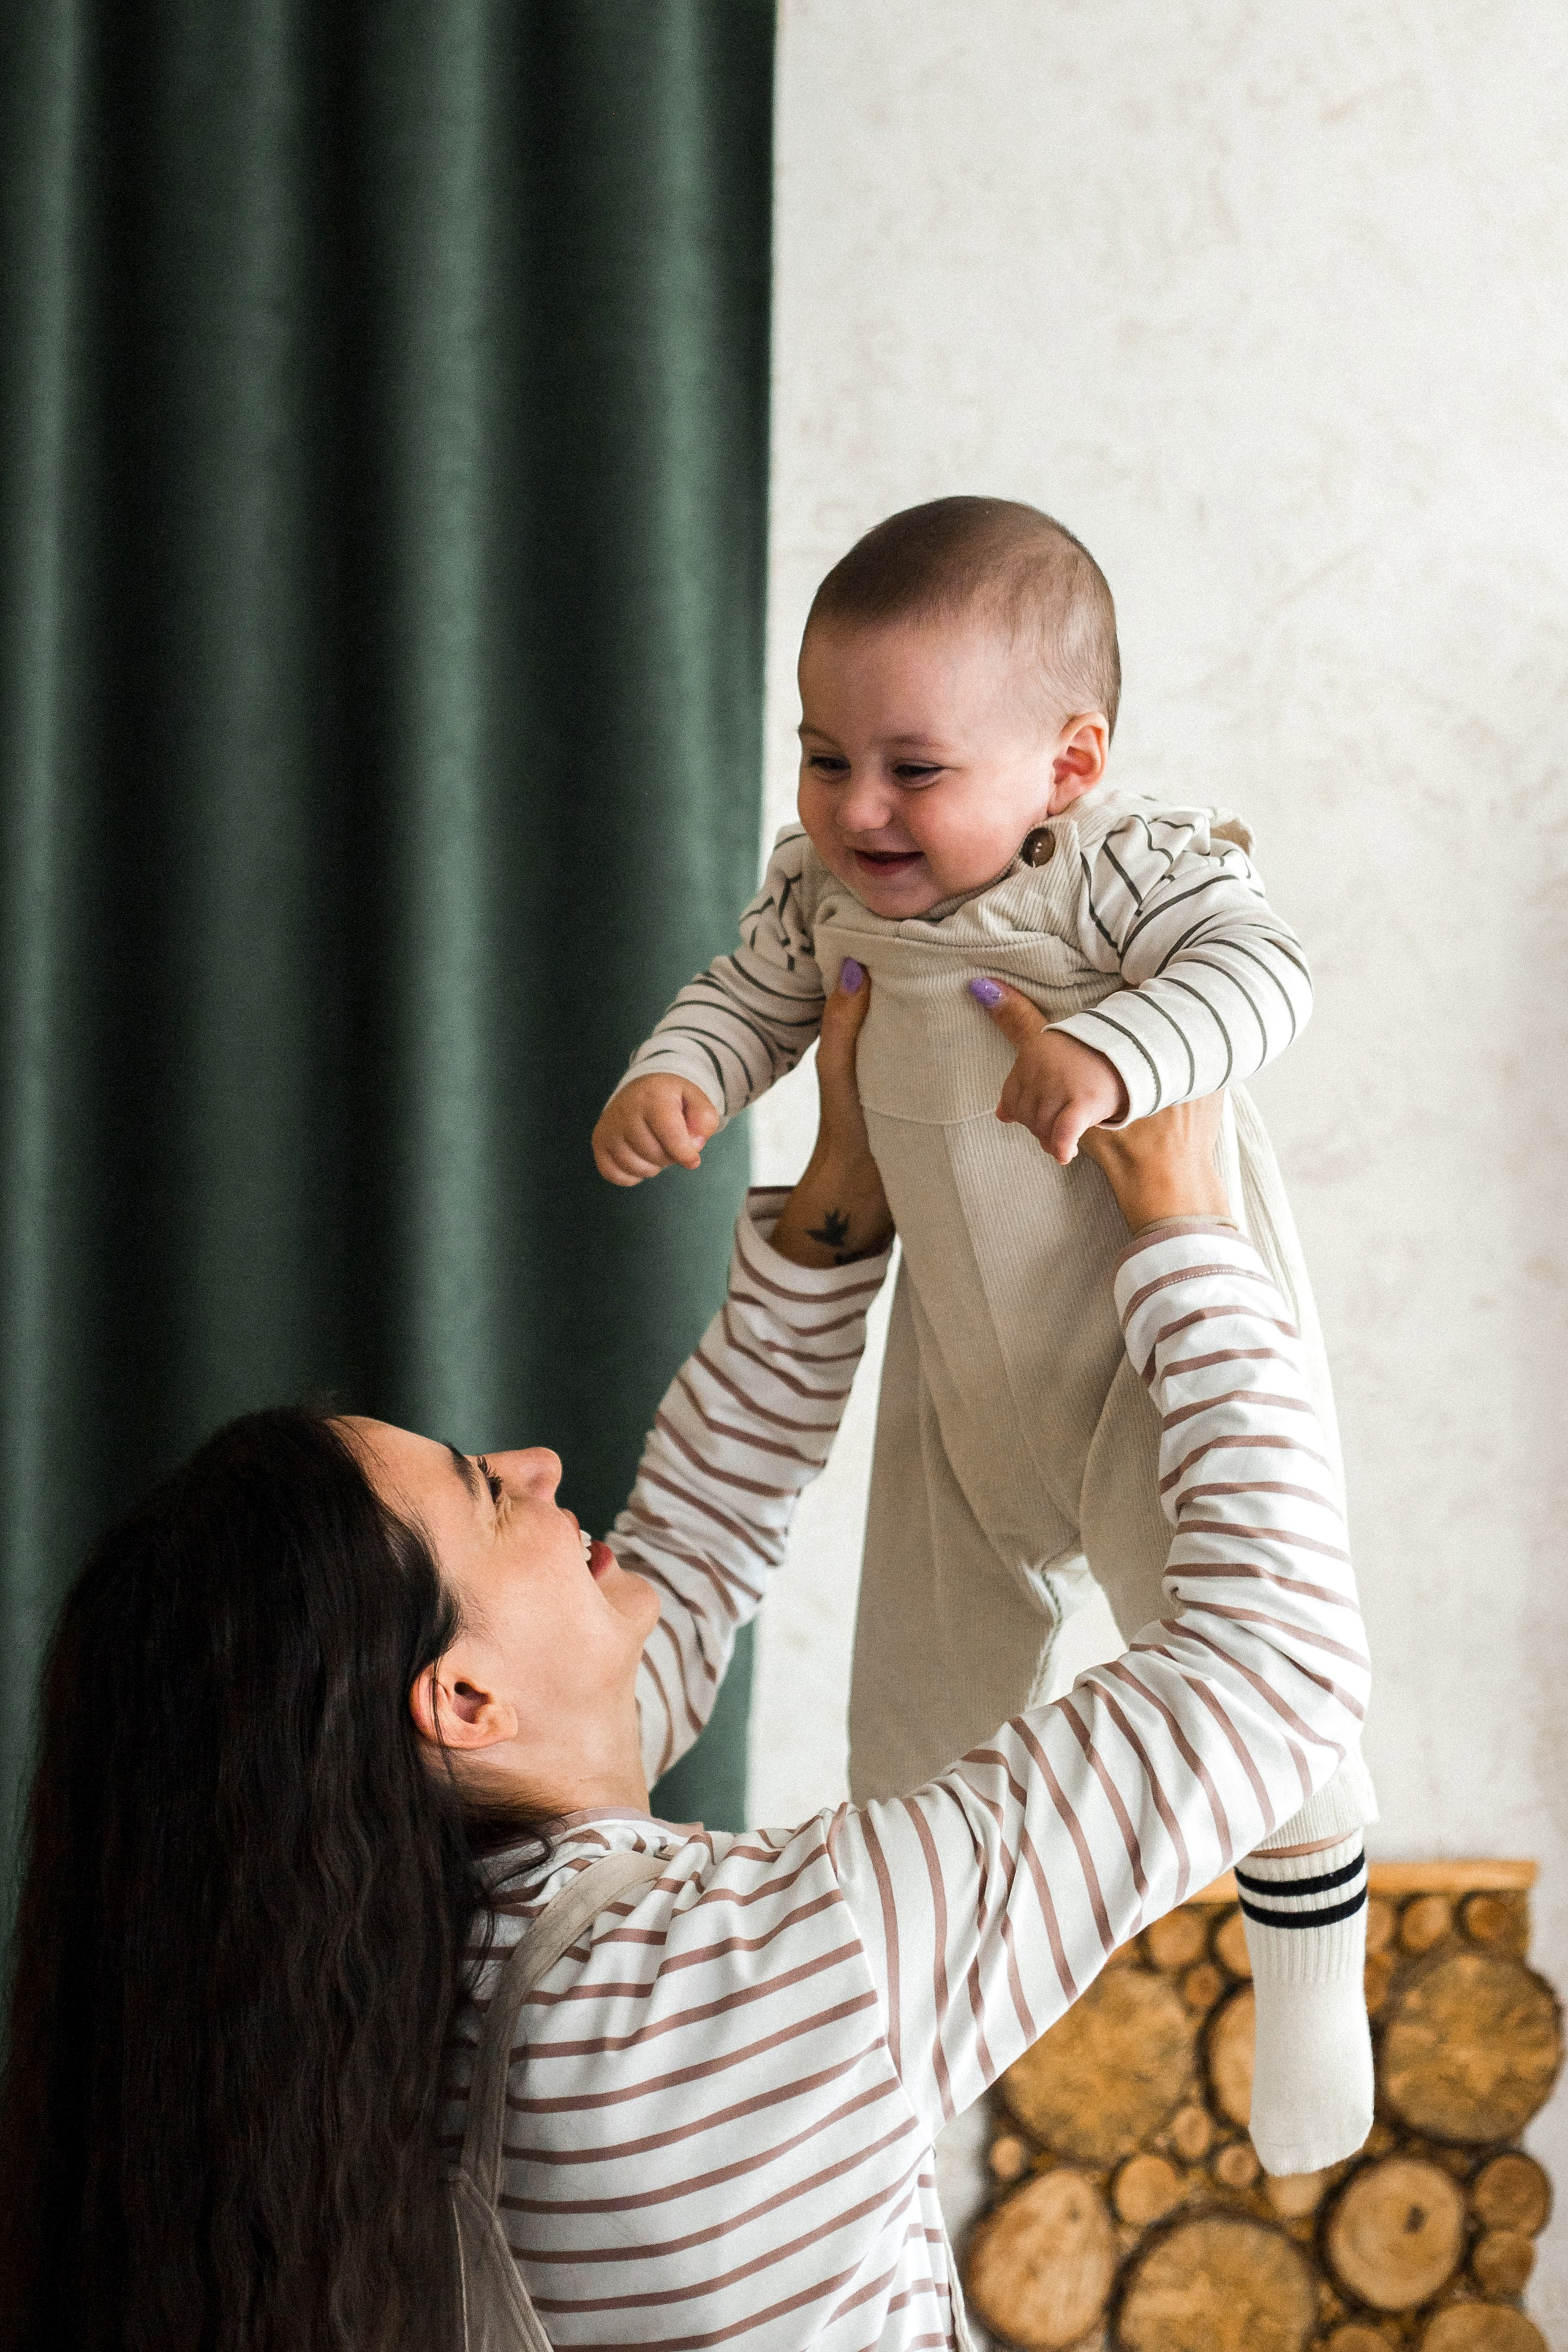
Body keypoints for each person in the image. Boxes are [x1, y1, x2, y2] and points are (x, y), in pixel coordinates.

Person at [0, 970, 1368, 2351]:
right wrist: (1186, 1230)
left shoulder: (387, 1985)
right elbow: (1275, 1671)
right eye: (486, 1494)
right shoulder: (728, 1994)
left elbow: (692, 1549)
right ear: (461, 1702)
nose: (538, 1466)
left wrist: (836, 1211)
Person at [592, 494, 1376, 2174]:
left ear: (1069, 765)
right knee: (914, 1731)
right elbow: (750, 996)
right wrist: (687, 1077)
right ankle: (905, 2095)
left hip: (1142, 1373)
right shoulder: (820, 890)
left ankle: (1310, 1964)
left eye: (911, 768)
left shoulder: (1131, 872)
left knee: (1256, 1677)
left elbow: (1266, 973)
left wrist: (1120, 1059)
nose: (858, 808)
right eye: (823, 756)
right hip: (951, 1373)